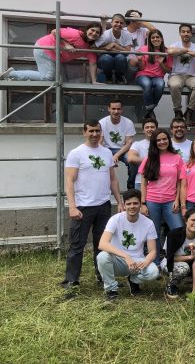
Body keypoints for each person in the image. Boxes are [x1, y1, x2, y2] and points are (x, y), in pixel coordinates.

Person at [61, 120, 123, 296]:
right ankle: (71, 281)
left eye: (97, 131)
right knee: (77, 245)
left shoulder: (106, 153)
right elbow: (69, 181)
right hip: (83, 207)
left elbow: (112, 179)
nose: (95, 134)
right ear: (84, 132)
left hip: (103, 205)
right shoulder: (76, 154)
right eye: (91, 131)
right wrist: (72, 206)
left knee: (102, 245)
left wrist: (119, 200)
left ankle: (102, 276)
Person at [96, 189, 158, 300]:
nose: (132, 206)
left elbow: (152, 251)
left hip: (137, 261)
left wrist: (145, 262)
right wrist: (126, 256)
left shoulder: (148, 223)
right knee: (102, 257)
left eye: (135, 203)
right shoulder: (115, 219)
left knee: (154, 272)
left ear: (140, 204)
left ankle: (133, 280)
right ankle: (111, 290)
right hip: (118, 260)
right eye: (128, 204)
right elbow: (102, 244)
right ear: (124, 205)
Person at [2, 22, 101, 83]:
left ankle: (16, 77)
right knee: (48, 78)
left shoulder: (89, 48)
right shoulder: (76, 34)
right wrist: (65, 43)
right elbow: (54, 31)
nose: (94, 33)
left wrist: (94, 81)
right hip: (44, 48)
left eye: (97, 33)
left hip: (53, 55)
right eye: (92, 30)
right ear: (87, 29)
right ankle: (12, 74)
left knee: (54, 79)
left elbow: (93, 64)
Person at [139, 128, 183, 259]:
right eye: (158, 140)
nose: (162, 142)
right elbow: (143, 182)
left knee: (179, 230)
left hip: (171, 201)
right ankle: (155, 261)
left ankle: (174, 258)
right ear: (154, 142)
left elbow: (180, 182)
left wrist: (177, 200)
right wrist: (143, 203)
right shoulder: (149, 159)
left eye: (164, 139)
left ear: (168, 140)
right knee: (154, 233)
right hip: (152, 201)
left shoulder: (177, 158)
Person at [162, 207, 195, 298]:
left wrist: (194, 293)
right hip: (171, 262)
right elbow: (170, 258)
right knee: (184, 268)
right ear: (186, 221)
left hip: (192, 263)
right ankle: (172, 285)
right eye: (193, 220)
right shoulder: (173, 235)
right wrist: (190, 257)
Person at [167, 23, 195, 123]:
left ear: (191, 34)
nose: (186, 34)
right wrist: (184, 50)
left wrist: (188, 52)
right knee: (174, 85)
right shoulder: (175, 45)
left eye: (188, 32)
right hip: (176, 75)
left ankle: (189, 110)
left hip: (191, 76)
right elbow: (170, 51)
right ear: (180, 33)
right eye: (183, 32)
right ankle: (178, 111)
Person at [132, 29, 170, 119]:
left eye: (157, 37)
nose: (155, 39)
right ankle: (150, 111)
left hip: (157, 77)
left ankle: (149, 110)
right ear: (149, 39)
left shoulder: (166, 51)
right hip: (143, 75)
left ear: (162, 39)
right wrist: (140, 60)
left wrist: (161, 63)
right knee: (147, 84)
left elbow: (168, 70)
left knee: (161, 85)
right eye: (153, 37)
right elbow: (141, 68)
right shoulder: (144, 49)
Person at [99, 98, 136, 190]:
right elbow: (100, 143)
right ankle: (103, 188)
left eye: (118, 109)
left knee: (132, 161)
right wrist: (109, 157)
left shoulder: (128, 122)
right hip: (106, 149)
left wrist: (116, 155)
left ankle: (131, 187)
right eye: (113, 109)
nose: (116, 111)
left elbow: (129, 143)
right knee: (100, 163)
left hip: (123, 149)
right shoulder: (102, 122)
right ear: (109, 109)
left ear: (122, 109)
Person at [96, 13, 133, 84]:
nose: (119, 24)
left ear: (124, 25)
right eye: (116, 22)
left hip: (120, 56)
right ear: (111, 23)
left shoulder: (127, 34)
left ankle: (118, 76)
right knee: (106, 58)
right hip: (105, 56)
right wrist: (107, 48)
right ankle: (108, 76)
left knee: (120, 58)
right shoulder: (106, 34)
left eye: (121, 23)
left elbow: (127, 52)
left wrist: (114, 45)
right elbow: (95, 47)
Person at [126, 117, 157, 190]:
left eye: (152, 127)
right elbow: (130, 158)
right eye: (147, 127)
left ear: (157, 129)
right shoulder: (138, 144)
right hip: (140, 181)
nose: (150, 129)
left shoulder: (162, 143)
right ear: (143, 130)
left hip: (159, 181)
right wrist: (150, 160)